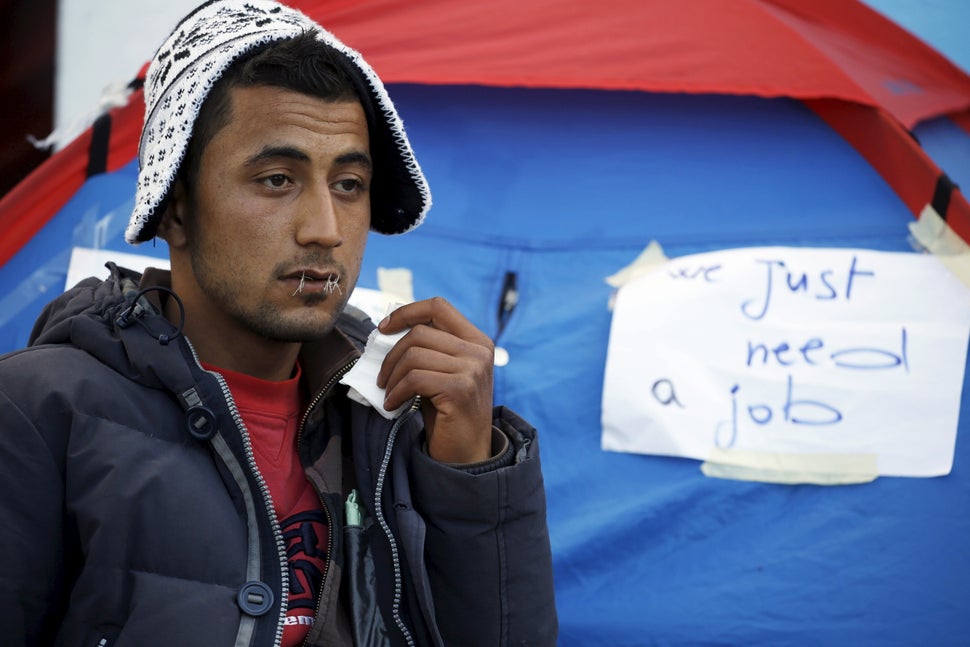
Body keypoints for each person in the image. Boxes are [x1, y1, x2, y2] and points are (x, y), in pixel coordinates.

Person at [0, 1, 558, 645]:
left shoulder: (405, 413)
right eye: (275, 179)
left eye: (348, 184)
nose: (325, 230)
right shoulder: (38, 409)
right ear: (176, 212)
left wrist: (471, 476)